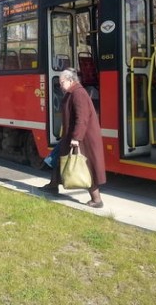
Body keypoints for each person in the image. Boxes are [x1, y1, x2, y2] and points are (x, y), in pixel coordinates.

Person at [40, 68, 106, 208]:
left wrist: (76, 138)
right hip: (72, 136)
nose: (60, 86)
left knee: (85, 166)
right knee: (58, 158)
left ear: (70, 80)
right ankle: (53, 185)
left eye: (61, 82)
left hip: (82, 138)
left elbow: (81, 118)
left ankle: (97, 199)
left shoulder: (78, 93)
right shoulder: (73, 92)